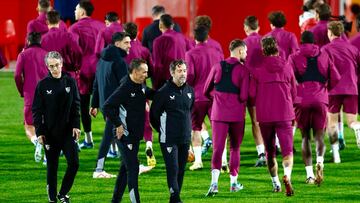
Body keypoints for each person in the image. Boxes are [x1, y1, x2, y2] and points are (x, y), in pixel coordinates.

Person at [288, 31, 340, 185]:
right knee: (319, 136)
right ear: (314, 42)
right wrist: (325, 89)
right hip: (320, 99)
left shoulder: (293, 57)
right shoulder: (324, 55)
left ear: (301, 42)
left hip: (301, 99)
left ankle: (310, 175)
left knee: (305, 137)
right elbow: (336, 77)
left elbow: (289, 79)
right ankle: (320, 161)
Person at [249, 37, 296, 196]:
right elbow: (294, 93)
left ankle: (276, 184)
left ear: (263, 50)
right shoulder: (288, 67)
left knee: (270, 152)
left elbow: (252, 94)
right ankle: (287, 176)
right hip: (284, 114)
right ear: (277, 49)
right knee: (287, 151)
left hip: (265, 116)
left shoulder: (257, 70)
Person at [102, 59, 154, 203]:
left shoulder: (141, 86)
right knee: (133, 168)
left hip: (135, 136)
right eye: (144, 71)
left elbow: (153, 94)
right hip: (125, 136)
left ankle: (115, 201)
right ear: (135, 72)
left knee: (125, 169)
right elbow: (107, 107)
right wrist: (118, 124)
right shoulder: (125, 88)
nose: (146, 74)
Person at [32, 51, 81, 203]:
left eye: (57, 65)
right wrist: (40, 132)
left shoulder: (70, 81)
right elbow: (36, 111)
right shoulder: (42, 85)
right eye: (51, 66)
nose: (55, 69)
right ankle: (53, 199)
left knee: (74, 163)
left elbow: (76, 105)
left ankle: (63, 193)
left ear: (62, 64)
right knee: (52, 167)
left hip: (67, 132)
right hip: (49, 134)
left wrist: (76, 126)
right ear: (47, 66)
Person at [204, 39, 249, 196]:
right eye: (246, 51)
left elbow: (205, 90)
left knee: (218, 149)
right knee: (234, 148)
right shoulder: (243, 71)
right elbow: (244, 97)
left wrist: (218, 98)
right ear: (240, 51)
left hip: (218, 114)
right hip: (236, 115)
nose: (247, 54)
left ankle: (214, 184)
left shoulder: (217, 66)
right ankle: (233, 184)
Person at [150, 60, 194, 203]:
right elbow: (153, 116)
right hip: (169, 139)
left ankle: (174, 198)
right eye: (180, 71)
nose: (183, 74)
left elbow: (189, 112)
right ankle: (176, 198)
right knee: (173, 168)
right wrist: (162, 130)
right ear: (172, 73)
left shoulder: (190, 91)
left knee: (181, 169)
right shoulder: (163, 92)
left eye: (185, 71)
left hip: (185, 138)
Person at [90, 32, 131, 178]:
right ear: (117, 44)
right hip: (115, 106)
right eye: (126, 43)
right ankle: (98, 169)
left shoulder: (102, 60)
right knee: (109, 136)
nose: (129, 46)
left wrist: (94, 104)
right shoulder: (119, 62)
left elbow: (96, 83)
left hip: (104, 104)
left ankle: (132, 164)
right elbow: (125, 86)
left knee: (120, 135)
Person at [185, 25, 223, 171]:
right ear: (207, 37)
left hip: (198, 96)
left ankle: (199, 161)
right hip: (215, 96)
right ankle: (223, 162)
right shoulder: (217, 52)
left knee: (195, 128)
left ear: (194, 38)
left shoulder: (190, 54)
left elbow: (191, 75)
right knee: (218, 128)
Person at [322, 21, 360, 163]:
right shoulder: (352, 48)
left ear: (330, 33)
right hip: (351, 87)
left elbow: (322, 69)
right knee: (352, 121)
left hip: (333, 89)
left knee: (331, 123)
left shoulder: (325, 49)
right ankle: (358, 128)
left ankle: (336, 156)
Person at [69, 0, 105, 148]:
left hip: (82, 70)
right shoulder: (102, 27)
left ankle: (88, 139)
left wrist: (74, 66)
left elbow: (73, 50)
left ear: (82, 12)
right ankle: (114, 144)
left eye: (76, 10)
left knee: (82, 105)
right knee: (107, 105)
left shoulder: (73, 28)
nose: (74, 12)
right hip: (101, 70)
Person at [123, 22, 156, 167]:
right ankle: (149, 144)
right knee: (145, 120)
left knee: (128, 122)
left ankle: (132, 153)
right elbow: (151, 70)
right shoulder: (143, 50)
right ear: (137, 33)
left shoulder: (122, 50)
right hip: (141, 88)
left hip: (125, 88)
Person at [14, 32, 48, 163]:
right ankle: (46, 158)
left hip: (30, 95)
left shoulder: (23, 55)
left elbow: (17, 75)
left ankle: (36, 141)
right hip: (47, 95)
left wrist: (22, 90)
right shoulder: (47, 54)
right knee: (47, 126)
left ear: (28, 41)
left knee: (28, 126)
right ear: (40, 41)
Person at [243, 15, 266, 167]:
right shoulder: (266, 41)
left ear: (245, 28)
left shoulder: (243, 43)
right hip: (267, 85)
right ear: (258, 27)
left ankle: (262, 153)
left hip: (250, 86)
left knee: (255, 121)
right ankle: (273, 146)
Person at [41, 10, 82, 78]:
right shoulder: (68, 36)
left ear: (47, 22)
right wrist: (77, 66)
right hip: (66, 73)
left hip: (49, 75)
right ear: (59, 21)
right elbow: (78, 51)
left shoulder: (42, 39)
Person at [152, 14, 189, 90]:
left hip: (166, 83)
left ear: (160, 25)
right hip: (182, 81)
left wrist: (155, 85)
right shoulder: (183, 37)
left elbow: (157, 65)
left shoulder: (158, 41)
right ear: (172, 25)